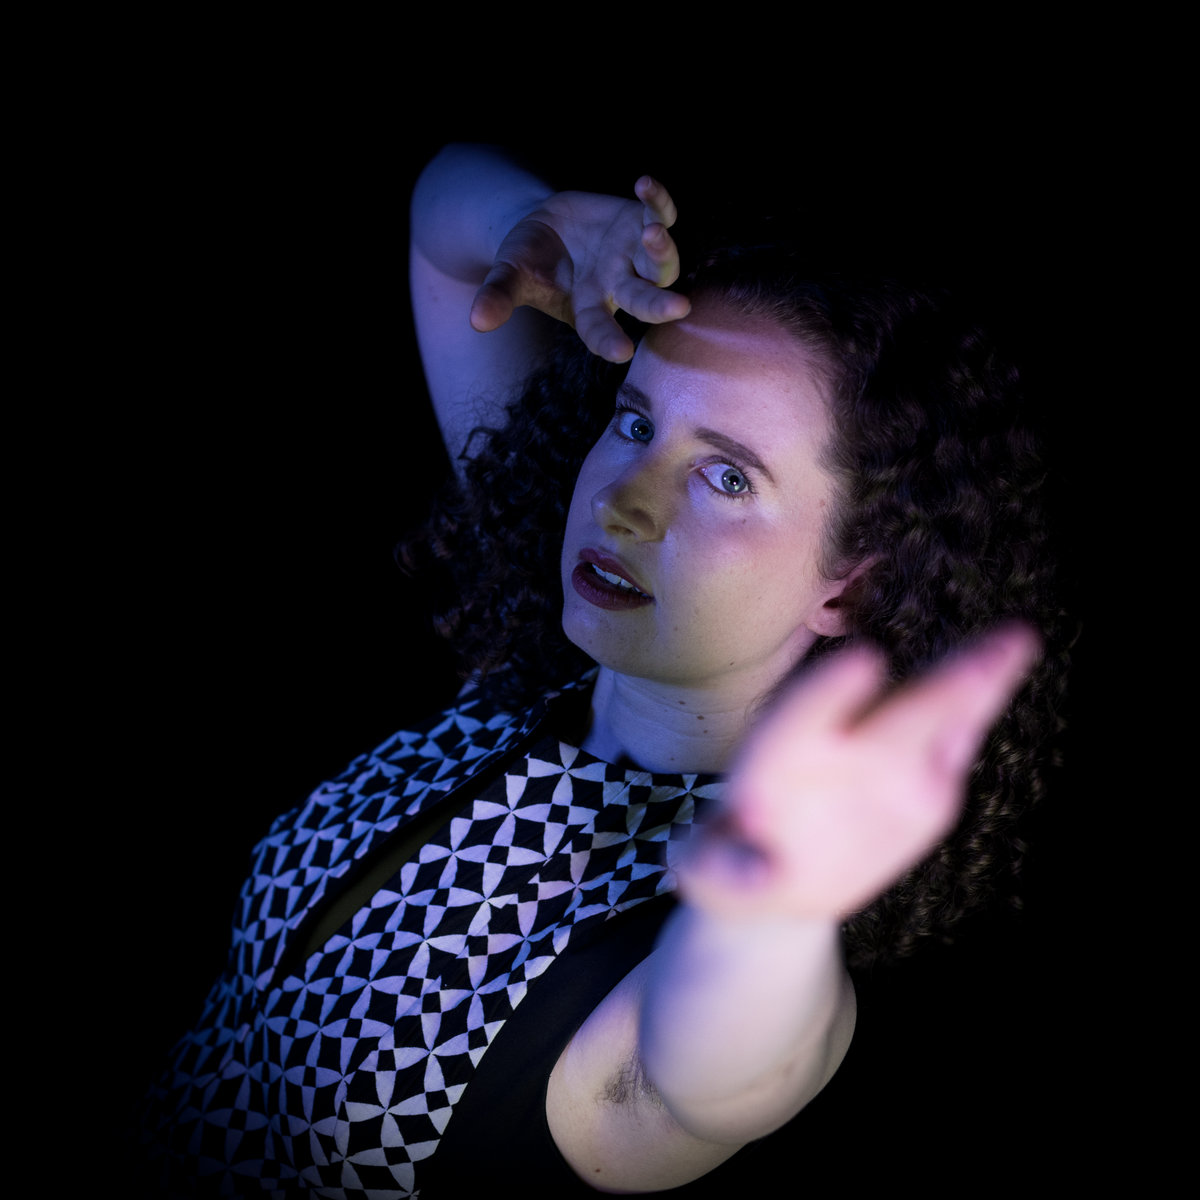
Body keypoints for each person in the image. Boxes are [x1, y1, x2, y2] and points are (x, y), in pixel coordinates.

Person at [137, 143, 1067, 1197]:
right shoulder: (536, 667)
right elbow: (444, 234)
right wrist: (531, 222)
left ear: (851, 585)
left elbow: (723, 1070)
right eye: (635, 421)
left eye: (726, 477)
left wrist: (775, 907)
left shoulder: (684, 947)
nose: (626, 500)